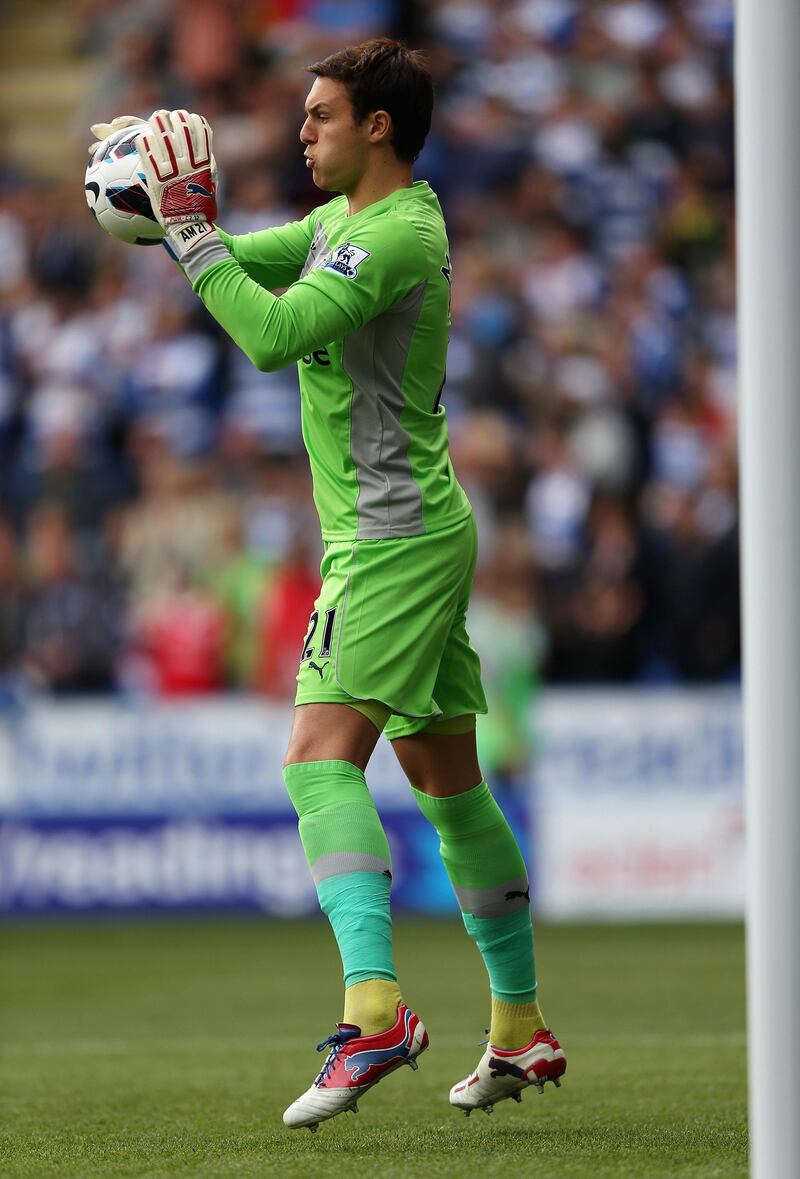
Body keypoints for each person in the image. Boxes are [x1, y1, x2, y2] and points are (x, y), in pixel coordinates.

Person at [90, 37, 565, 1130]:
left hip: (389, 539)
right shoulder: (346, 222)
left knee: (314, 762)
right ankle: (518, 1028)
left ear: (376, 128)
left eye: (317, 117)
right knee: (447, 785)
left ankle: (376, 1013)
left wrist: (187, 229)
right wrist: (160, 203)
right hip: (414, 527)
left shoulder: (393, 233)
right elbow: (245, 262)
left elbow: (273, 334)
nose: (299, 133)